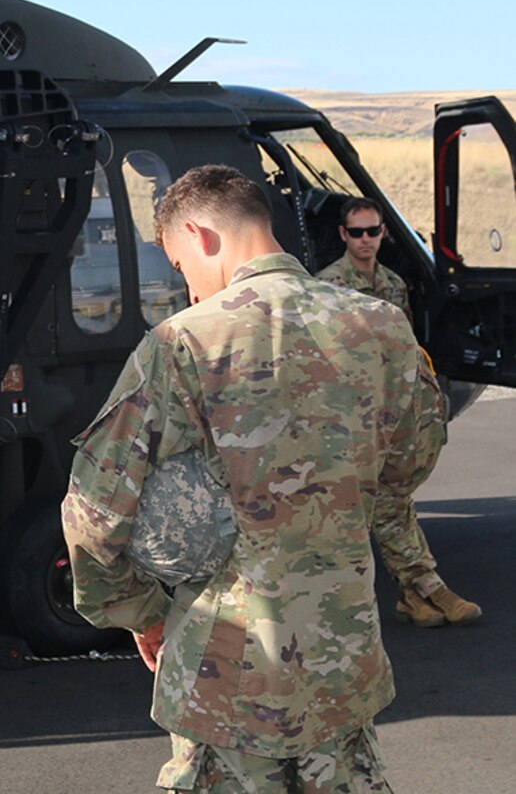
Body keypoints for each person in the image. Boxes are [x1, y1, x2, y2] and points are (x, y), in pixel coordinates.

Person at [63, 164, 445, 793]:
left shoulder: (181, 344)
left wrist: (138, 610)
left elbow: (94, 512)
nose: (186, 288)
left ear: (199, 234)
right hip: (340, 662)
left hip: (225, 674)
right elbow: (411, 461)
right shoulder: (382, 326)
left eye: (180, 265)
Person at [315, 196, 479, 628]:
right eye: (356, 233)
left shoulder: (393, 285)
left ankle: (415, 594)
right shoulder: (326, 286)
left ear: (384, 233)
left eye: (373, 231)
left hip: (391, 409)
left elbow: (403, 349)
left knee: (391, 499)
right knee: (386, 501)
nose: (365, 240)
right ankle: (426, 587)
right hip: (350, 413)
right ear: (342, 236)